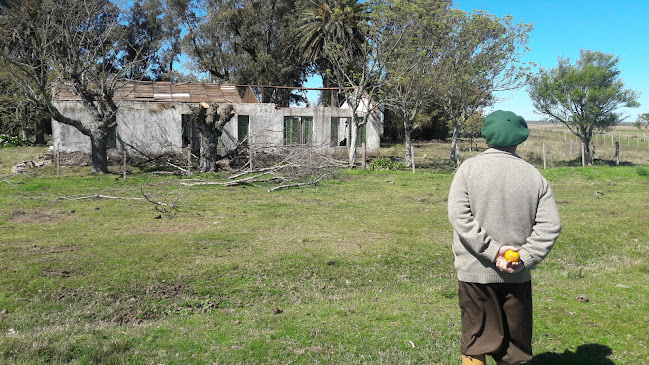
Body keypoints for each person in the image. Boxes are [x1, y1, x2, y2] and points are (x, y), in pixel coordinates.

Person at [447, 110, 562, 365]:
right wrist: (525, 257)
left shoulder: (468, 169)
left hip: (474, 275)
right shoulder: (534, 175)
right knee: (515, 351)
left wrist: (492, 251)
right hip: (516, 274)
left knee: (475, 342)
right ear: (520, 138)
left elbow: (459, 216)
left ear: (486, 137)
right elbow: (551, 225)